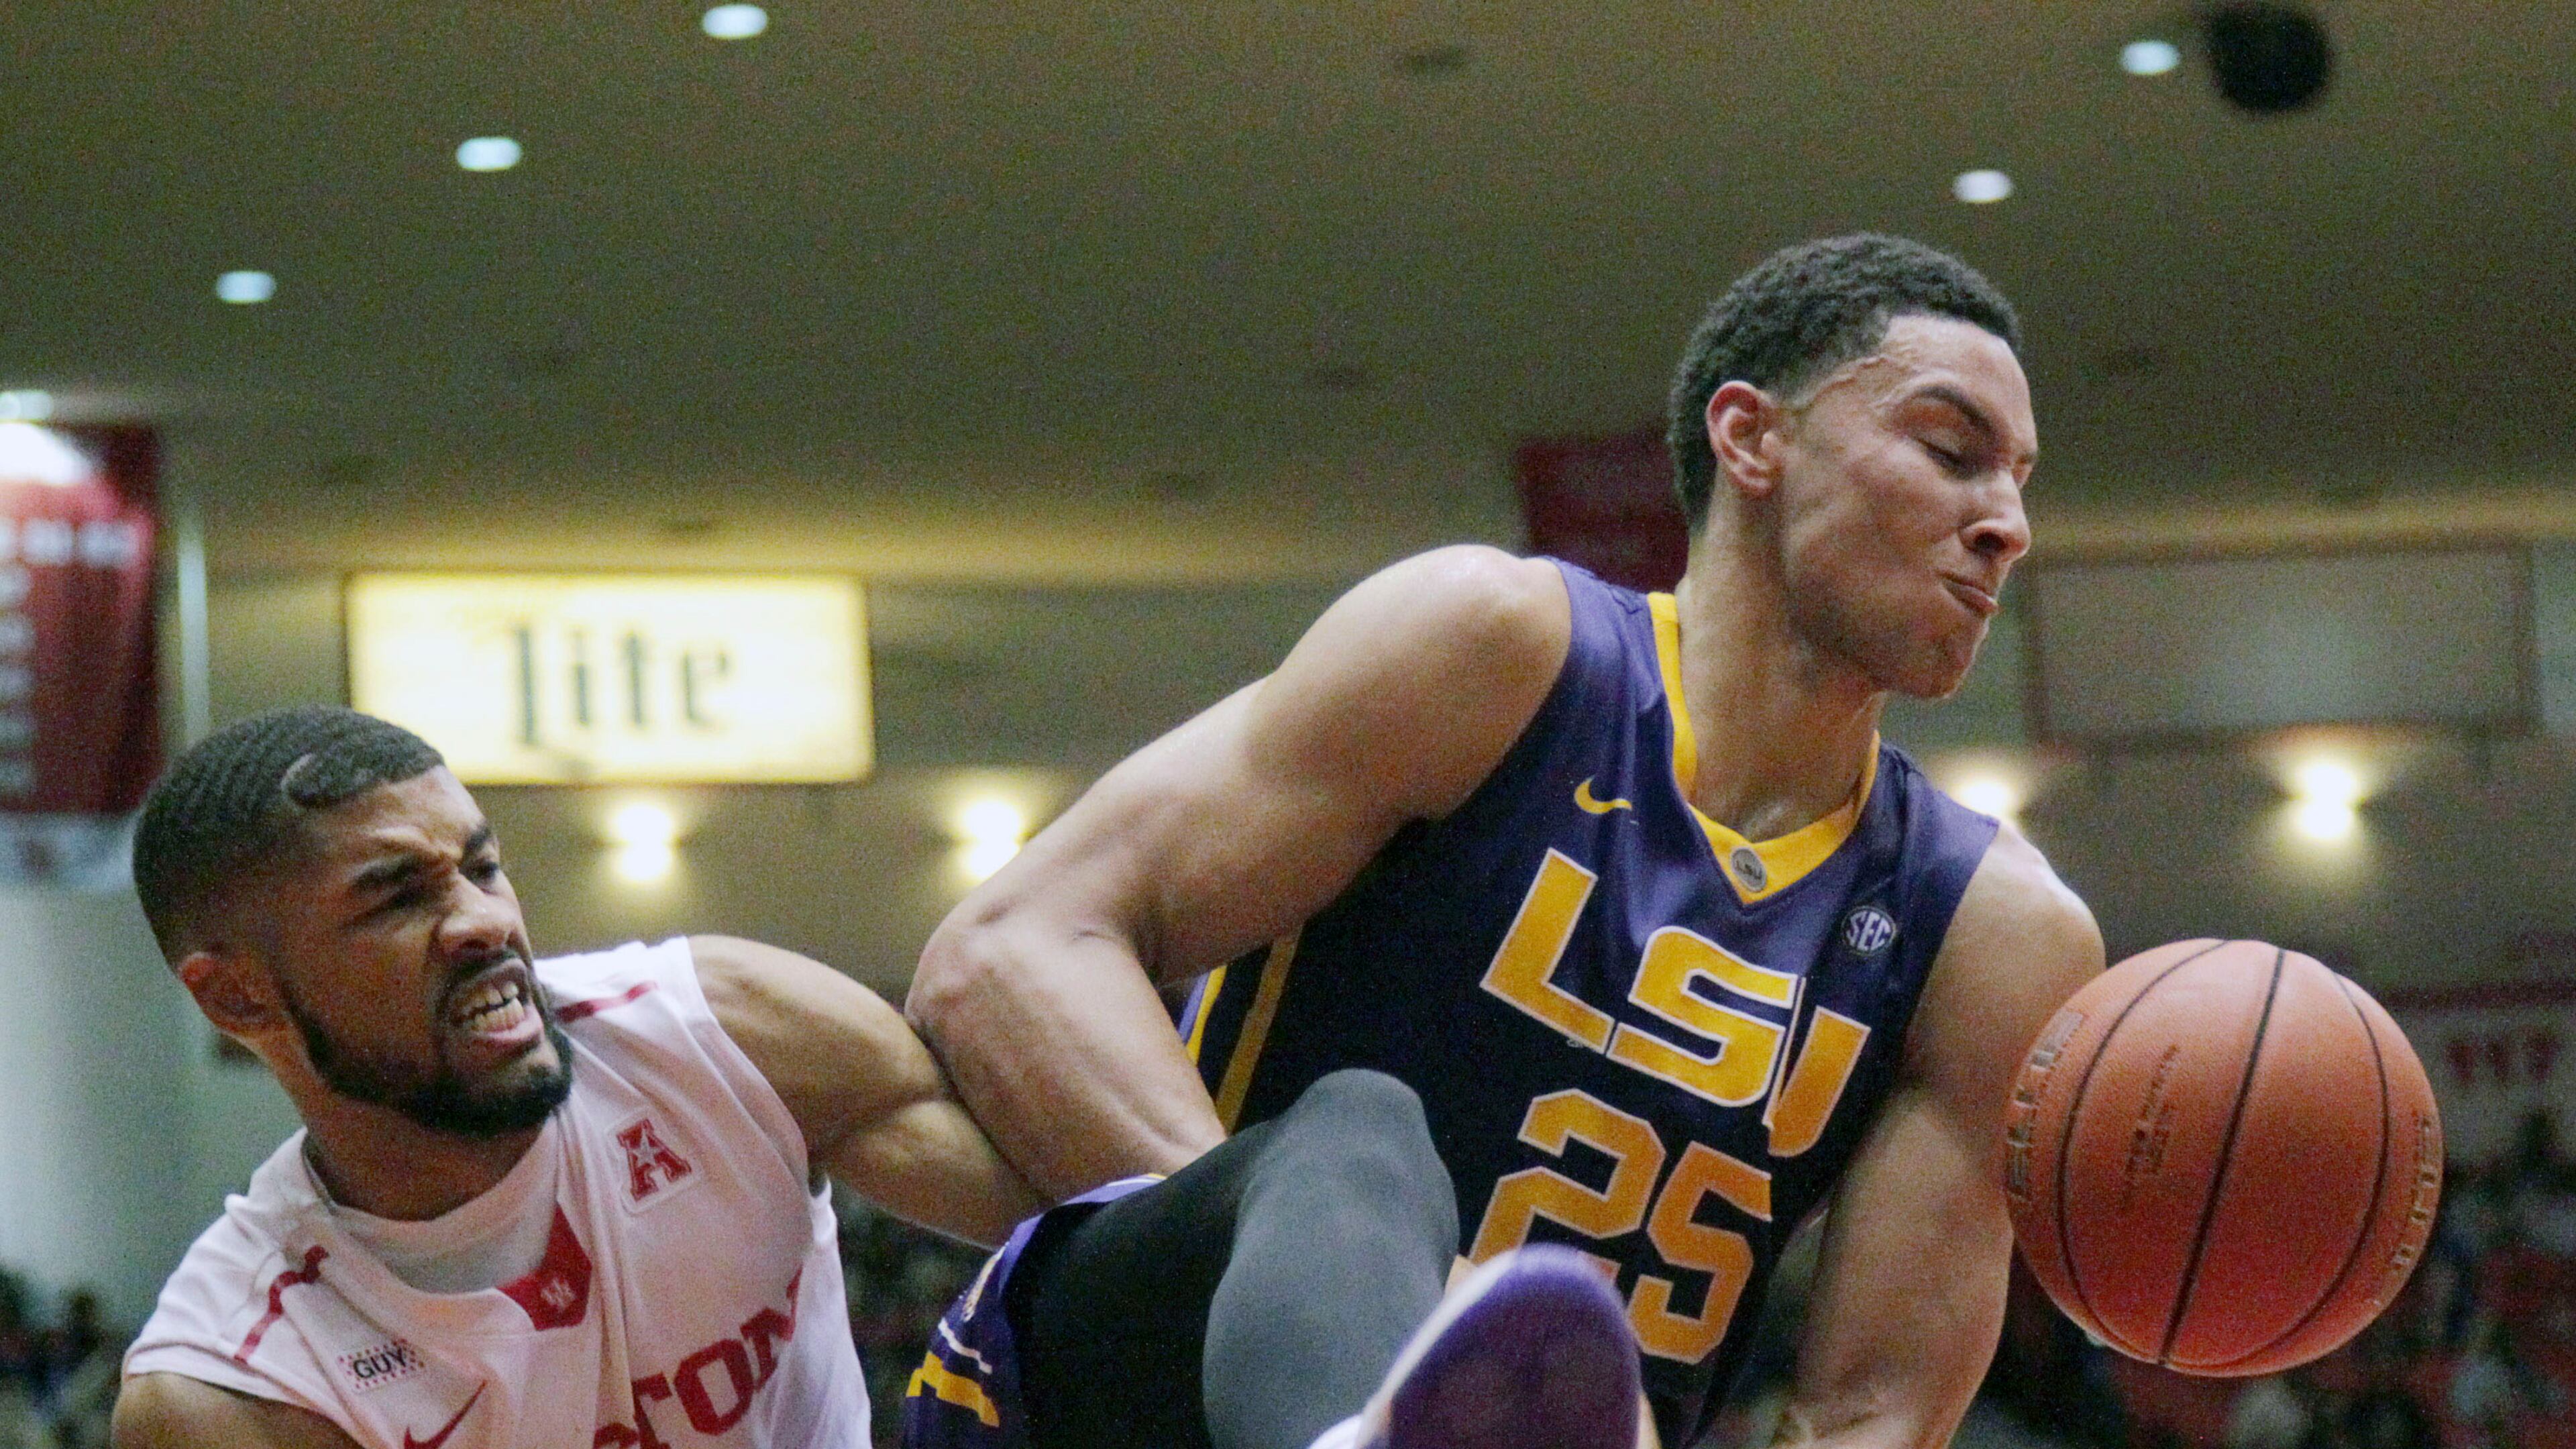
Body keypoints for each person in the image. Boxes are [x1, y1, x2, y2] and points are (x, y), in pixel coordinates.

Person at [907, 233, 2106, 1449]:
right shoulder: (1496, 654)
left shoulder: (1994, 935)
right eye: (1952, 454)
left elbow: (1872, 1412)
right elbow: (1011, 948)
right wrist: (1325, 1310)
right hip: (1140, 1403)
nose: (2005, 522)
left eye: (2018, 479)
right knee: (1356, 1130)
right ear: (1752, 439)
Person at [109, 707, 1640, 1449]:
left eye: (485, 866)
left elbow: (1111, 1237)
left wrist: (1370, 1298)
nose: (487, 925)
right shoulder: (232, 1390)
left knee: (1347, 1128)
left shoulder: (716, 1027)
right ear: (238, 996)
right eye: (397, 899)